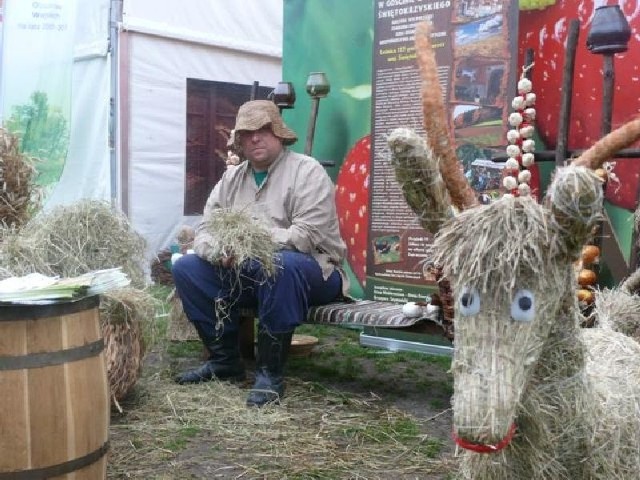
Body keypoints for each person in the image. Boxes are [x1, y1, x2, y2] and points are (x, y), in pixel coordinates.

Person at [172, 100, 349, 407]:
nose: (255, 138)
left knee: (279, 265)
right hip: (247, 272)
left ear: (278, 134)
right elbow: (205, 229)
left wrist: (248, 244)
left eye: (263, 130)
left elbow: (304, 237)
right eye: (247, 132)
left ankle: (270, 374)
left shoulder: (307, 172)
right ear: (238, 141)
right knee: (186, 267)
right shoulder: (231, 179)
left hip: (315, 273)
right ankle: (225, 361)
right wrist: (219, 251)